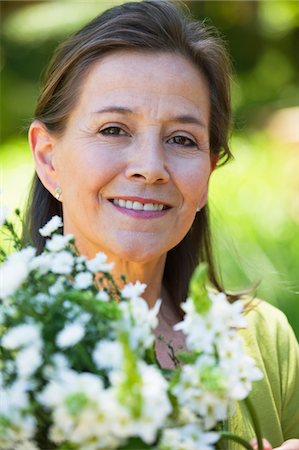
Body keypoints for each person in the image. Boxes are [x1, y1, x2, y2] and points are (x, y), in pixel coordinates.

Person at [24, 0, 298, 448]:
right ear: (49, 159)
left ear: (208, 173)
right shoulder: (12, 347)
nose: (150, 168)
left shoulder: (265, 343)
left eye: (181, 139)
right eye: (114, 129)